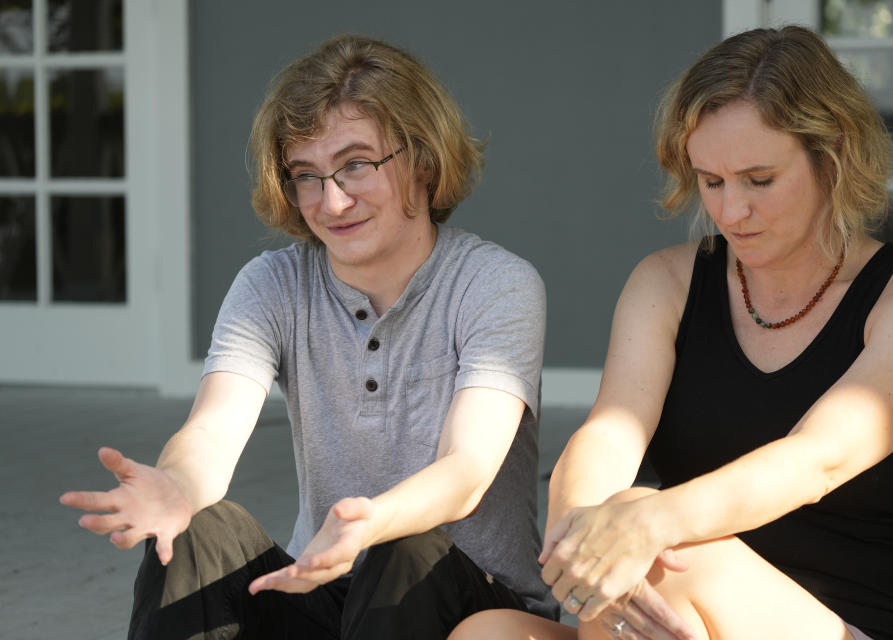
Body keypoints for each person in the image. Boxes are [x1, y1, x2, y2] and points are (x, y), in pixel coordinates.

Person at [450, 25, 893, 640]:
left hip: (854, 624)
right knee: (488, 633)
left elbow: (816, 461)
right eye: (711, 182)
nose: (729, 211)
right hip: (680, 605)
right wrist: (582, 534)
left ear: (834, 156)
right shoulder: (666, 282)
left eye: (759, 180)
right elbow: (611, 432)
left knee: (656, 547)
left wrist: (642, 525)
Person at [60, 34, 555, 639]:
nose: (333, 201)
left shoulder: (495, 284)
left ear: (423, 159)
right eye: (307, 175)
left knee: (400, 548)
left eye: (355, 164)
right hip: (327, 588)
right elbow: (213, 429)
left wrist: (369, 522)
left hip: (468, 596)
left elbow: (466, 469)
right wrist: (177, 486)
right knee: (194, 531)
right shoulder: (273, 284)